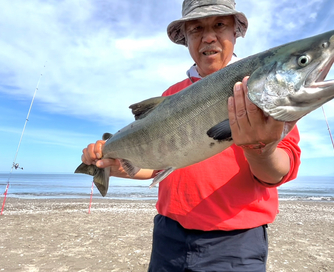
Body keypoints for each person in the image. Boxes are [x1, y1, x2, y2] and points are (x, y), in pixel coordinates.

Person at [81, 0, 301, 271]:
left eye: (219, 24)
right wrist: (113, 166)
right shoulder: (171, 94)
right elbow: (156, 167)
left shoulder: (262, 86)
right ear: (186, 39)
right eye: (197, 28)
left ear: (236, 32)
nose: (208, 36)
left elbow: (278, 172)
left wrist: (261, 149)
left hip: (235, 243)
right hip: (168, 237)